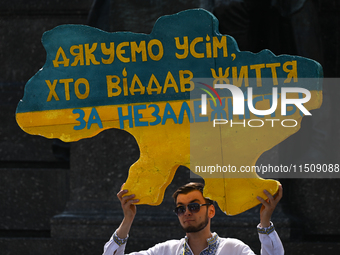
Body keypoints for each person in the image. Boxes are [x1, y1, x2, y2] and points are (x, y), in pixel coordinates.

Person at [102, 182, 284, 255]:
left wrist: (265, 221)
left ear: (211, 211)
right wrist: (128, 219)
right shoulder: (165, 251)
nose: (187, 212)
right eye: (180, 209)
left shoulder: (233, 249)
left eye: (194, 206)